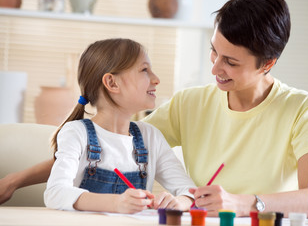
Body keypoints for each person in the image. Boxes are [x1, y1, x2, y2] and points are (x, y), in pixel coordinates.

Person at [0, 0, 308, 217]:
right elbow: (102, 145)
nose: (215, 68)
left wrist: (244, 201)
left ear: (267, 64)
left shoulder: (304, 109)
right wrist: (15, 181)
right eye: (213, 51)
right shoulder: (190, 103)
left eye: (231, 62)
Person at [42, 38, 195, 213]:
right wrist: (116, 203)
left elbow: (189, 192)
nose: (156, 79)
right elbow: (55, 193)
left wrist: (178, 202)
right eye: (144, 70)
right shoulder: (76, 133)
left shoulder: (151, 137)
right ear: (112, 83)